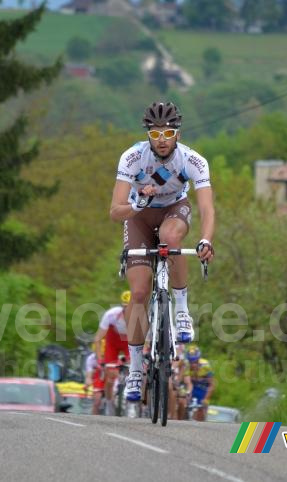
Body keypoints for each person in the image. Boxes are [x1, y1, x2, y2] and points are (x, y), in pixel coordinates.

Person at [109, 101, 215, 402]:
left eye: (168, 132)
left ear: (178, 134)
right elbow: (115, 211)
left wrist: (206, 240)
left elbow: (207, 207)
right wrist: (137, 205)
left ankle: (181, 310)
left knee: (170, 237)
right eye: (156, 134)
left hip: (173, 210)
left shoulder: (193, 161)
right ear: (148, 136)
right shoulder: (132, 157)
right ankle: (136, 370)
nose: (163, 139)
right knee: (139, 293)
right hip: (138, 215)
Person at [92, 291, 131, 415]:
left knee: (136, 370)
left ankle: (131, 401)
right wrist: (100, 360)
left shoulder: (141, 316)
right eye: (125, 307)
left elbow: (145, 341)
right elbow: (98, 339)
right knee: (109, 376)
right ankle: (109, 404)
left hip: (129, 343)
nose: (128, 310)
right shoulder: (111, 315)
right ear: (122, 306)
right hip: (112, 343)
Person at [184, 345, 215, 422]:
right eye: (191, 362)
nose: (193, 364)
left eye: (195, 362)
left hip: (203, 389)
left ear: (198, 359)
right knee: (185, 405)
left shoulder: (206, 365)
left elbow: (212, 385)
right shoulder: (186, 366)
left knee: (201, 411)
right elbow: (189, 383)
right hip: (193, 387)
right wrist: (188, 394)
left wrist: (206, 399)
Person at [83, 345, 105, 415]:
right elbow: (89, 375)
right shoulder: (90, 358)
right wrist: (87, 383)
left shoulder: (108, 356)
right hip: (98, 379)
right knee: (96, 402)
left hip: (110, 377)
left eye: (102, 354)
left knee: (112, 398)